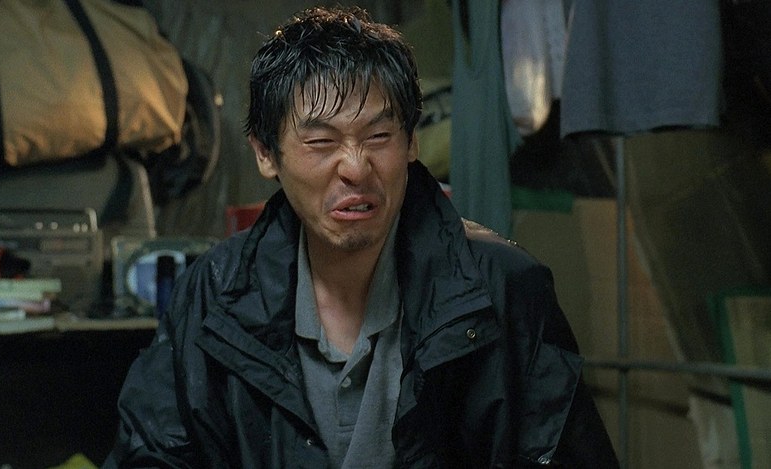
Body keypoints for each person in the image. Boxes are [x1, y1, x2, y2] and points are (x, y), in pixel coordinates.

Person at [103, 6, 618, 468]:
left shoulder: (501, 287)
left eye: (378, 136)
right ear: (265, 154)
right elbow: (152, 453)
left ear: (411, 141)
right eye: (321, 141)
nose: (355, 167)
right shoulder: (214, 293)